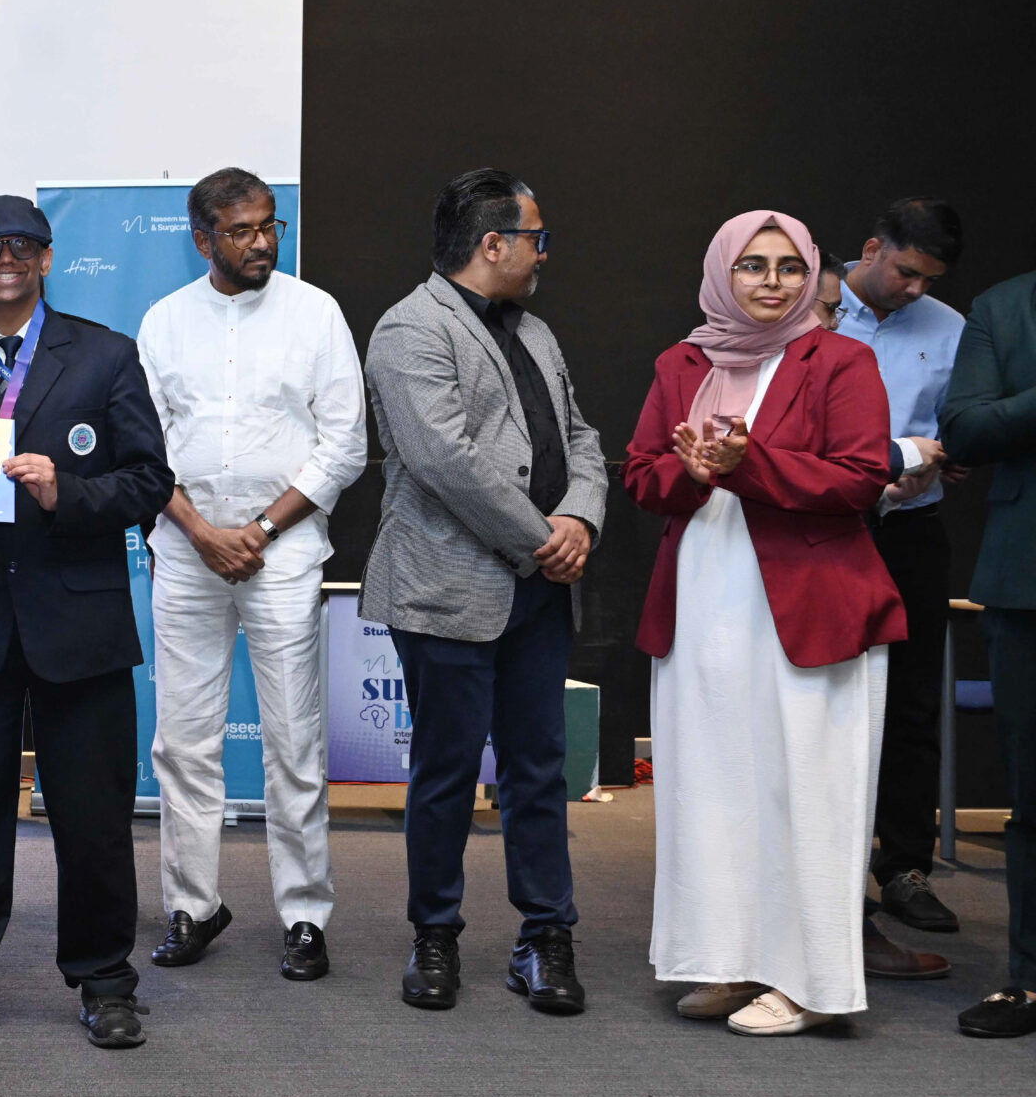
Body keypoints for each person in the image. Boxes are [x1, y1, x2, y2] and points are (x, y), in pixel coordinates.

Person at [0, 195, 175, 1054]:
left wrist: (66, 492)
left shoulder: (106, 355)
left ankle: (105, 980)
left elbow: (149, 482)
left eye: (22, 245)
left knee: (92, 817)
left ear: (47, 258)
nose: (4, 259)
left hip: (78, 623)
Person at [626, 211, 905, 1034]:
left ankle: (812, 985)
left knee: (809, 795)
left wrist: (750, 464)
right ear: (723, 272)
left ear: (810, 274)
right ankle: (730, 961)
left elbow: (860, 479)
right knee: (711, 788)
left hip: (810, 605)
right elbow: (642, 476)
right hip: (703, 599)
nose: (772, 282)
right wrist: (688, 472)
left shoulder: (842, 360)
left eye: (788, 266)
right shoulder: (680, 363)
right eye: (752, 265)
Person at [362, 169, 608, 1014]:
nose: (546, 253)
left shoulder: (535, 331)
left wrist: (581, 517)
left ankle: (546, 936)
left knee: (538, 770)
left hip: (539, 592)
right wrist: (547, 539)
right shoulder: (410, 327)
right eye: (537, 237)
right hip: (448, 588)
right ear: (493, 244)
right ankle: (434, 935)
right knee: (446, 771)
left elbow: (581, 436)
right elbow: (444, 462)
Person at [138, 167, 365, 982]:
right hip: (187, 552)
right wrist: (202, 532)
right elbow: (144, 448)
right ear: (203, 239)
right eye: (241, 231)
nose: (262, 242)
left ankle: (304, 914)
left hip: (285, 554)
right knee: (183, 743)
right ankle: (193, 905)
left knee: (294, 739)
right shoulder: (164, 322)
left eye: (270, 225)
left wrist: (261, 529)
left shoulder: (316, 313)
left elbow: (345, 443)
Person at [834, 199, 970, 939]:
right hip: (826, 528)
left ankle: (906, 869)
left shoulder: (950, 328)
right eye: (907, 272)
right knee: (820, 697)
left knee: (913, 700)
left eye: (930, 280)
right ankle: (824, 869)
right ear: (871, 248)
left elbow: (963, 425)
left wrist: (947, 457)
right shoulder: (811, 306)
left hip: (912, 530)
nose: (916, 290)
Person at [942, 257, 1036, 1037]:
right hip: (1027, 581)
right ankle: (1029, 981)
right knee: (1032, 797)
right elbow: (965, 429)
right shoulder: (1004, 309)